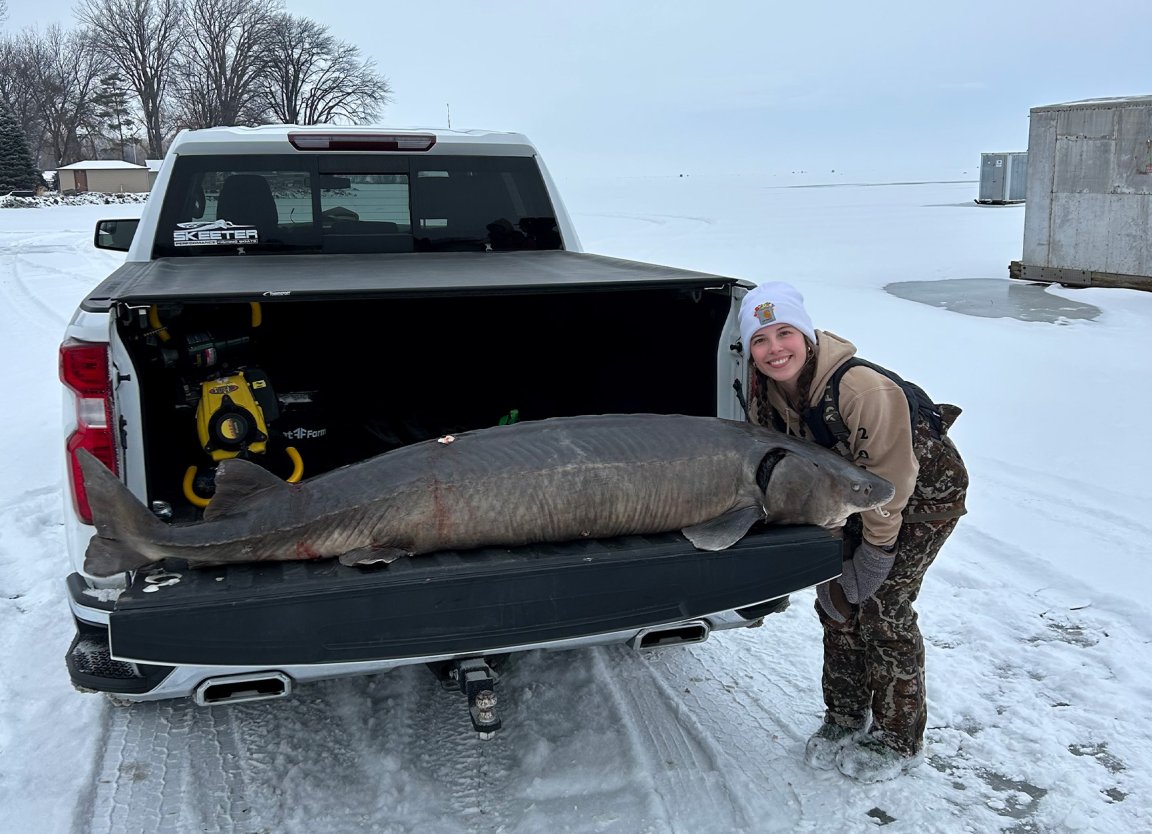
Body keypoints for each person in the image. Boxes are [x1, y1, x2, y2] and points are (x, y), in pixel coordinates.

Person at [738, 281, 968, 782]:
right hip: (843, 499)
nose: (775, 348)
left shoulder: (861, 389)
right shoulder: (765, 395)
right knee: (837, 607)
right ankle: (844, 717)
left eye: (784, 333)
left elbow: (893, 485)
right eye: (760, 339)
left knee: (883, 611)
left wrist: (877, 552)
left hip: (919, 500)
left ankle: (897, 738)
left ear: (807, 336)